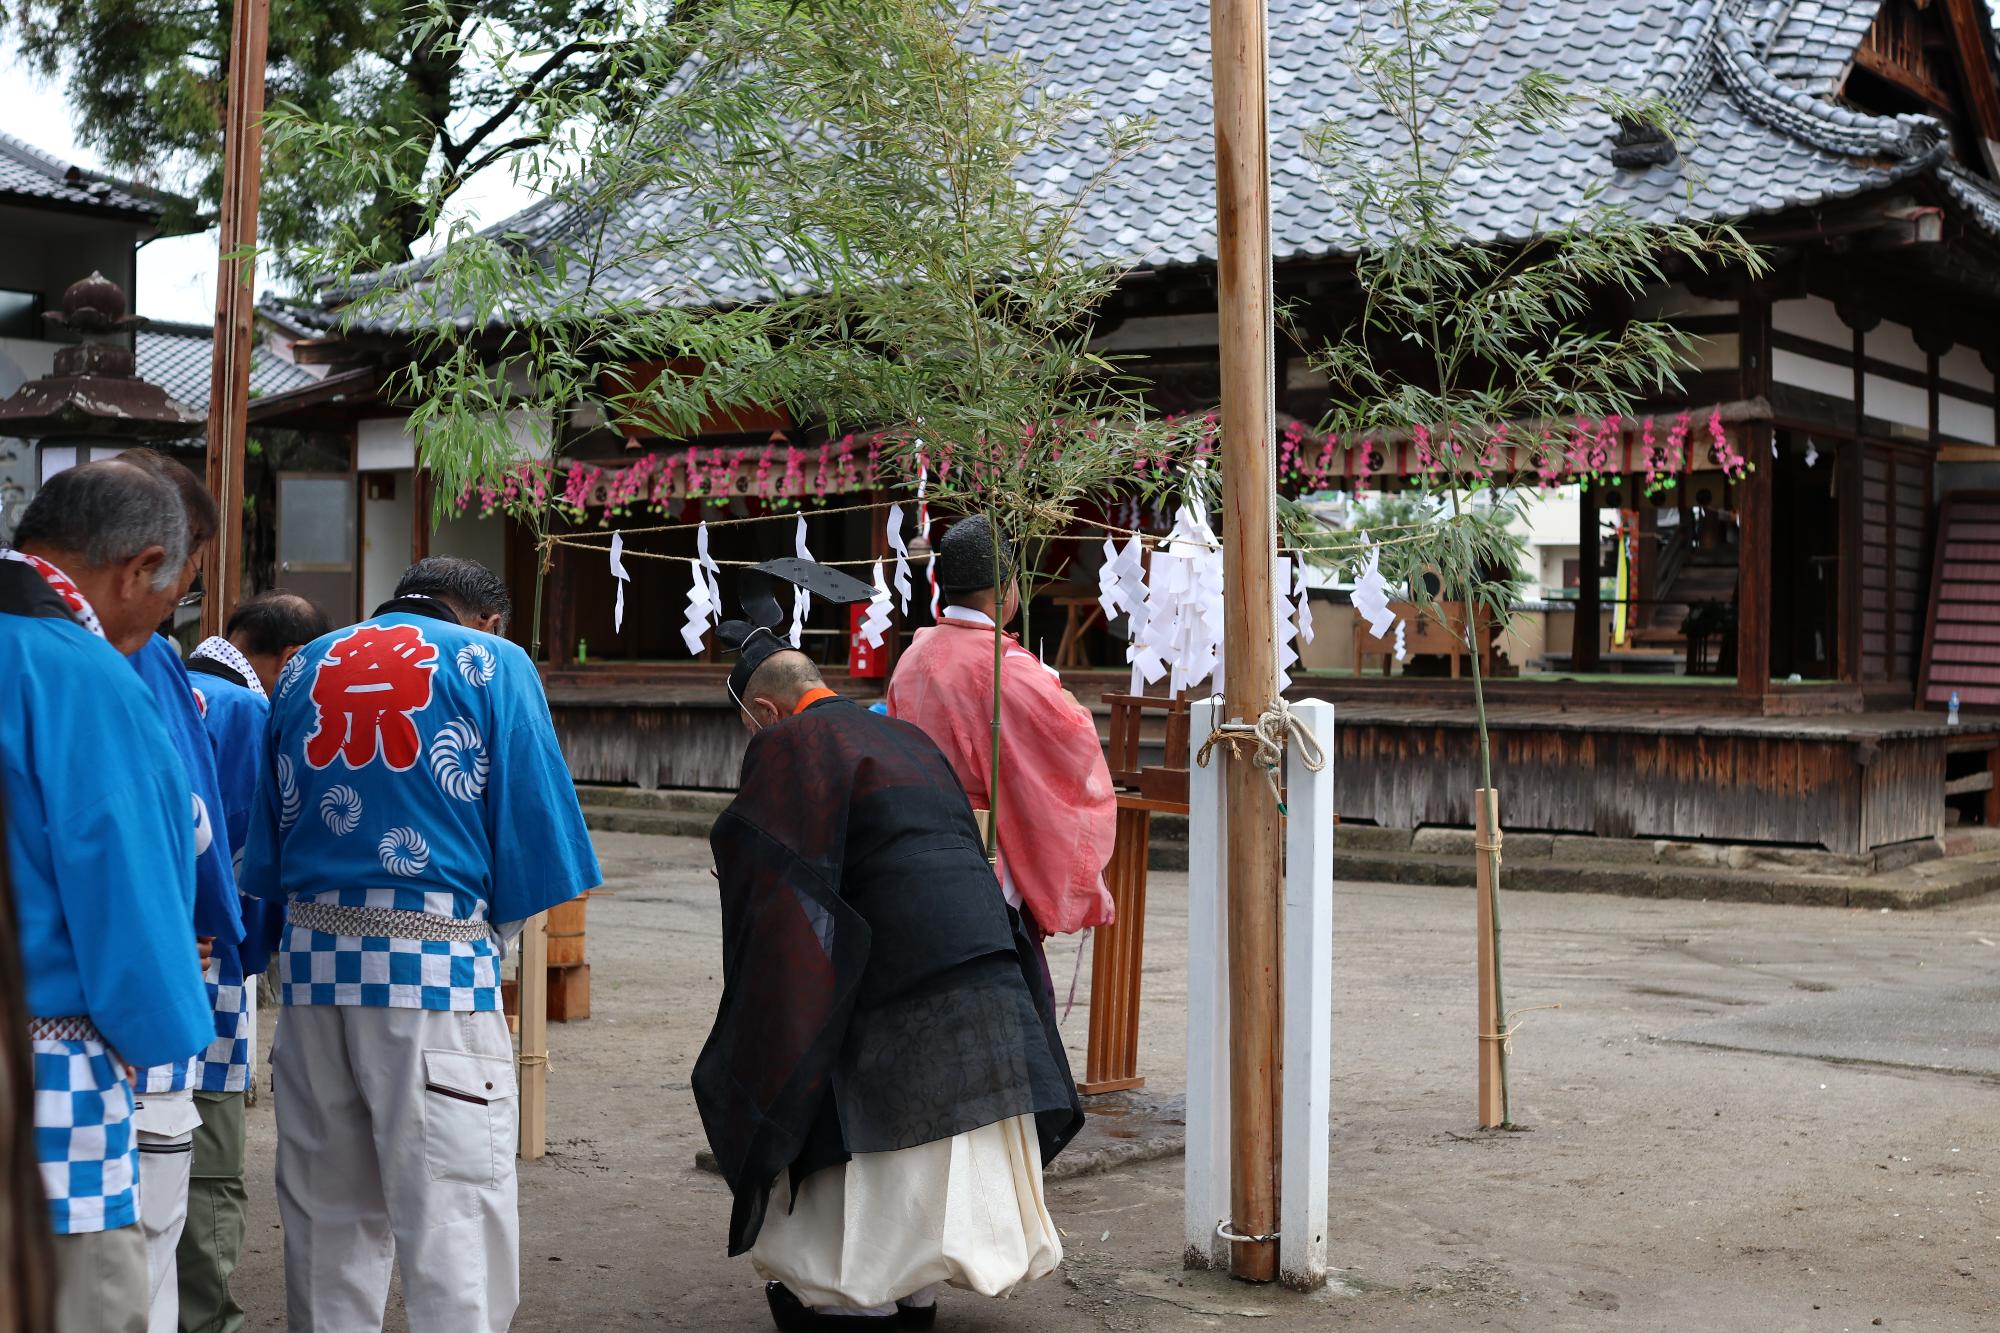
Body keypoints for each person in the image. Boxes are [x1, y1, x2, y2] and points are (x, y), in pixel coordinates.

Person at [696, 560, 1084, 1332]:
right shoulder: (902, 735)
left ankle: (862, 1294)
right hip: (984, 964)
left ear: (767, 711)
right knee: (935, 1140)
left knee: (835, 1077)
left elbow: (775, 886)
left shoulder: (789, 746)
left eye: (749, 728)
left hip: (892, 977)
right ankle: (917, 1292)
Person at [238, 556, 599, 1333]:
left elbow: (263, 855)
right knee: (453, 1220)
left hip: (311, 981)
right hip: (435, 975)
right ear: (486, 618)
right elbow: (540, 847)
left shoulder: (303, 664)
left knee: (325, 1219)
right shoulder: (490, 662)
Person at [2, 462, 216, 1333]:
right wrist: (168, 1034)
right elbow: (132, 896)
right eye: (172, 600)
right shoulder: (82, 676)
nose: (161, 625)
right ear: (140, 567)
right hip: (42, 1089)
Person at [116, 450, 245, 1333]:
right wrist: (222, 926)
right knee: (140, 1257)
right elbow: (193, 820)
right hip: (147, 981)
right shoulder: (143, 659)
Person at [178, 590, 329, 1333]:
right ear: (290, 659)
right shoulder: (245, 711)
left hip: (145, 954)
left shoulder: (174, 685)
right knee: (208, 1168)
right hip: (211, 962)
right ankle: (207, 1320)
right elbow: (249, 857)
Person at [885, 516, 1117, 973]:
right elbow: (1071, 746)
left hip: (917, 841)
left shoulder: (913, 656)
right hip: (983, 844)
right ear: (1005, 589)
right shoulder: (1002, 667)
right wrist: (1061, 695)